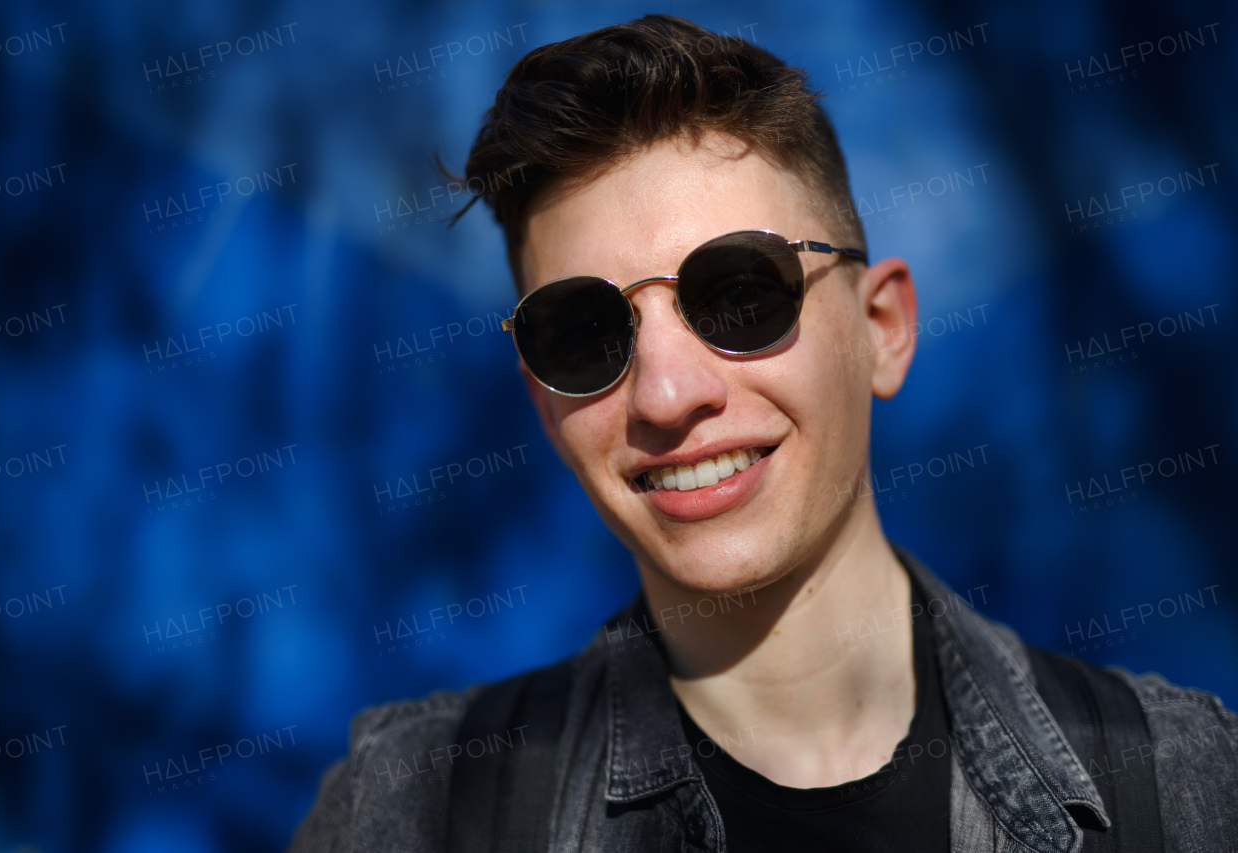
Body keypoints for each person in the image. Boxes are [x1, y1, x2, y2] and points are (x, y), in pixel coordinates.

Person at [288, 15, 1237, 852]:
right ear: (542, 401)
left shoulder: (1187, 790)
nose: (665, 393)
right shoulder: (412, 811)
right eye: (581, 335)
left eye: (737, 294)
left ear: (881, 330)